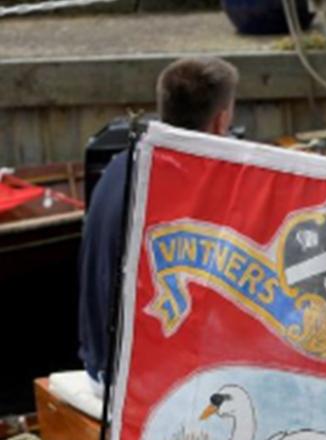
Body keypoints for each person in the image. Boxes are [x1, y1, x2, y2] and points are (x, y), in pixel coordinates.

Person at [78, 56, 239, 385]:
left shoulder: (121, 164)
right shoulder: (197, 185)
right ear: (221, 121)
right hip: (133, 382)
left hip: (99, 362)